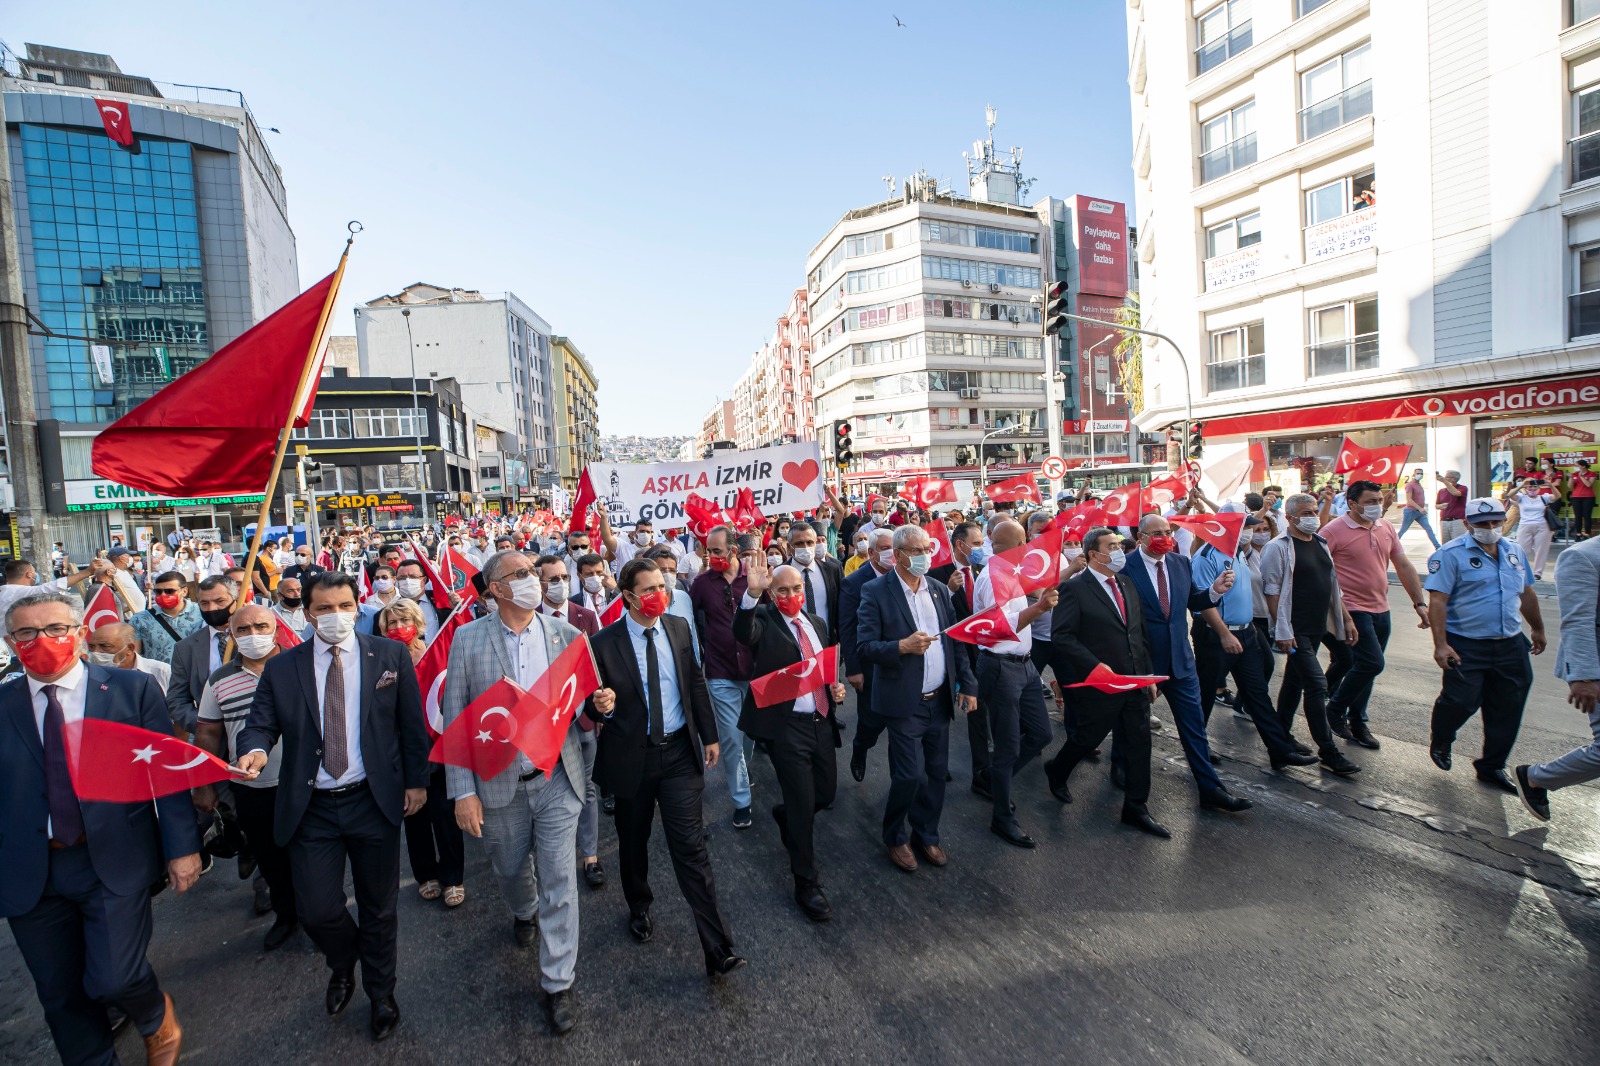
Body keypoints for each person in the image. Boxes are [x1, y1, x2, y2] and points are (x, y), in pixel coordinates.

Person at [1, 589, 200, 1066]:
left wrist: (182, 848)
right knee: (60, 994)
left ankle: (154, 1015)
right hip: (31, 870)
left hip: (113, 857)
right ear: (10, 641)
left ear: (79, 633)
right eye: (27, 632)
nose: (41, 640)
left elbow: (167, 773)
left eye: (54, 629)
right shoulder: (4, 702)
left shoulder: (130, 690)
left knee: (115, 978)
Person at [235, 572, 431, 1042]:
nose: (335, 616)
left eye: (344, 605)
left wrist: (417, 783)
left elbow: (410, 726)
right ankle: (344, 961)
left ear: (356, 605)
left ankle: (382, 993)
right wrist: (255, 749)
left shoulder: (388, 655)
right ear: (308, 614)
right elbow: (258, 723)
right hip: (312, 806)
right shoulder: (284, 668)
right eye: (323, 608)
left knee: (378, 906)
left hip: (373, 798)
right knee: (318, 910)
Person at [442, 551, 589, 1035]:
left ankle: (557, 982)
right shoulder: (468, 639)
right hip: (498, 786)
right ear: (497, 589)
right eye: (522, 575)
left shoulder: (566, 635)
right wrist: (463, 791)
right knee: (509, 868)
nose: (535, 581)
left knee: (559, 879)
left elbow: (582, 705)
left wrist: (600, 703)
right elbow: (456, 716)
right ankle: (522, 910)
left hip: (556, 781)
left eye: (535, 573)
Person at [584, 557, 745, 979]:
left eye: (664, 586)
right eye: (651, 589)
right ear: (629, 597)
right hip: (631, 760)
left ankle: (717, 947)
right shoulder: (602, 644)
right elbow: (590, 702)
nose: (662, 594)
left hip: (678, 757)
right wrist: (599, 707)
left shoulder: (677, 627)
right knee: (633, 844)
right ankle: (639, 905)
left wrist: (708, 735)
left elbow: (693, 681)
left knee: (691, 849)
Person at [856, 525, 979, 872]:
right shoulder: (875, 592)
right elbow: (865, 647)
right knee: (910, 775)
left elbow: (955, 642)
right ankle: (895, 836)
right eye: (916, 550)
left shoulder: (939, 590)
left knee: (937, 773)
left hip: (938, 700)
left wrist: (967, 685)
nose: (925, 555)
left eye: (927, 547)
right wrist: (901, 647)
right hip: (903, 702)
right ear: (896, 556)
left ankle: (926, 834)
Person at [735, 560, 846, 921]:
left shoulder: (816, 623)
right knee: (802, 806)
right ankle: (806, 883)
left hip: (821, 721)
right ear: (771, 592)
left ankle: (785, 816)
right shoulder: (764, 619)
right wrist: (752, 595)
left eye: (796, 589)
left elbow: (824, 668)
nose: (791, 596)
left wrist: (835, 687)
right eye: (781, 590)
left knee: (824, 794)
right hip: (787, 728)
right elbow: (742, 632)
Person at [1120, 514, 1255, 811]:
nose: (1164, 537)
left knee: (1194, 728)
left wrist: (1214, 590)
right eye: (1156, 533)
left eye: (1167, 531)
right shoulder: (1124, 568)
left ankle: (1210, 789)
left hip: (1180, 660)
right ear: (1140, 536)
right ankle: (1118, 767)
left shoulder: (1180, 562)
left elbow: (1193, 600)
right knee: (1133, 725)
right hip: (1143, 662)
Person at [1045, 527, 1171, 836]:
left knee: (1140, 743)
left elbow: (1138, 634)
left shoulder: (1126, 584)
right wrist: (1094, 665)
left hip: (1133, 681)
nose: (1118, 551)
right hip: (1100, 684)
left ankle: (1136, 808)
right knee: (1088, 738)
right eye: (1111, 546)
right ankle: (1058, 769)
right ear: (1093, 554)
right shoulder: (1075, 589)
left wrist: (1147, 676)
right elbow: (1061, 636)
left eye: (1118, 544)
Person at [192, 605, 299, 950]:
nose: (253, 634)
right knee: (269, 857)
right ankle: (287, 916)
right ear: (233, 636)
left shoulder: (301, 664)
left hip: (304, 783)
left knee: (312, 853)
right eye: (244, 629)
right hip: (251, 786)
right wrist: (204, 785)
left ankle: (322, 913)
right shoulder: (219, 680)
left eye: (261, 626)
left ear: (276, 628)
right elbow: (207, 734)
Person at [1424, 498, 1546, 792]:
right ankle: (1442, 736)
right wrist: (1441, 645)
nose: (1490, 528)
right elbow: (1438, 601)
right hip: (1466, 644)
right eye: (1481, 524)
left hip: (1510, 644)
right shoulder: (1450, 555)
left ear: (1503, 521)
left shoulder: (1515, 552)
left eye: (1495, 522)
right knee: (1461, 701)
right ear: (1467, 524)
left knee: (1508, 707)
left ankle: (1491, 766)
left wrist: (1538, 628)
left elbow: (1526, 593)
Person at [1320, 480, 1432, 749]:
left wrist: (1419, 603)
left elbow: (1402, 564)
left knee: (1368, 669)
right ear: (1352, 504)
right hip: (1352, 609)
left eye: (1379, 501)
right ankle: (1335, 709)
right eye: (1370, 502)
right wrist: (1340, 611)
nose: (1376, 506)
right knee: (1372, 663)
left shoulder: (1386, 527)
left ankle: (1358, 722)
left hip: (1382, 607)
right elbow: (1320, 571)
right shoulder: (1333, 530)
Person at [967, 519, 1057, 848]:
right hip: (1001, 666)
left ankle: (991, 780)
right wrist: (1039, 607)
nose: (1028, 548)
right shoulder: (993, 576)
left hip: (1025, 665)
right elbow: (1003, 627)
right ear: (1007, 546)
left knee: (1041, 734)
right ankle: (1002, 818)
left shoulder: (1011, 571)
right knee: (1008, 748)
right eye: (1023, 542)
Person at [1260, 494, 1364, 777]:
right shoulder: (1277, 547)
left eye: (1315, 511)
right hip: (1295, 630)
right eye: (1306, 512)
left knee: (1294, 682)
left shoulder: (1319, 543)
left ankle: (1280, 740)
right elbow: (1271, 591)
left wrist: (1346, 617)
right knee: (1316, 685)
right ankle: (1328, 751)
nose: (1313, 517)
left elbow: (1333, 585)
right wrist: (1282, 630)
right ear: (1291, 518)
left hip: (1318, 626)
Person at [380, 598, 466, 910]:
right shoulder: (381, 661)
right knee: (413, 815)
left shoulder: (437, 655)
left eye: (404, 621)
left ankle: (453, 876)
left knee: (446, 815)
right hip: (403, 753)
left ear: (419, 624)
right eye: (391, 623)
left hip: (440, 750)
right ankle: (425, 874)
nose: (398, 628)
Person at [1517, 532, 1600, 818]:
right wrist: (1585, 677)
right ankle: (1536, 778)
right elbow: (1577, 620)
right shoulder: (1583, 556)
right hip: (1595, 667)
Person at [534, 554, 605, 889]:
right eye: (553, 579)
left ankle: (590, 855)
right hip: (545, 725)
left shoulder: (585, 617)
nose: (559, 584)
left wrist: (600, 712)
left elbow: (597, 667)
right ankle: (547, 858)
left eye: (564, 577)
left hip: (583, 720)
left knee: (587, 789)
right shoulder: (529, 619)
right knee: (545, 791)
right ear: (539, 583)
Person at [686, 525, 756, 830]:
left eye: (716, 551)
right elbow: (687, 620)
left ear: (734, 551)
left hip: (755, 672)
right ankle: (742, 801)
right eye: (708, 550)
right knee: (730, 737)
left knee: (750, 734)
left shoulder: (754, 579)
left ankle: (743, 769)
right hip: (719, 672)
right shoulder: (701, 584)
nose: (711, 556)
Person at [929, 521, 993, 798]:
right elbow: (930, 615)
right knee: (940, 712)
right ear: (959, 545)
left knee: (979, 711)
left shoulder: (984, 569)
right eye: (976, 544)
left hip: (982, 650)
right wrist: (949, 590)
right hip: (951, 652)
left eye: (982, 543)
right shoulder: (937, 572)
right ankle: (935, 764)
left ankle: (982, 772)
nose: (981, 549)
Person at [840, 525, 899, 782]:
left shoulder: (904, 574)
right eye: (886, 550)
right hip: (870, 665)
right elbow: (847, 628)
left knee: (902, 723)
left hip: (900, 660)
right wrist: (853, 669)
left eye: (894, 549)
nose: (892, 555)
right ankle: (861, 747)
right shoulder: (854, 583)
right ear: (873, 553)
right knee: (872, 722)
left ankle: (905, 773)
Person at [167, 575, 241, 735]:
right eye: (205, 603)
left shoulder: (255, 637)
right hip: (211, 741)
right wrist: (204, 725)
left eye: (220, 601)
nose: (212, 608)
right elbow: (177, 700)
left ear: (235, 600)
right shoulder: (185, 648)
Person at [129, 568, 206, 667]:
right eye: (158, 591)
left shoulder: (202, 614)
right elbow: (135, 657)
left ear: (184, 591)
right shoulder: (140, 619)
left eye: (169, 591)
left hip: (193, 677)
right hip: (156, 679)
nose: (163, 595)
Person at [786, 522, 842, 642]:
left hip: (827, 642)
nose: (805, 547)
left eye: (810, 542)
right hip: (795, 645)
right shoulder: (779, 573)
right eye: (799, 543)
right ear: (789, 547)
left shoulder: (832, 570)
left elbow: (840, 608)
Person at [0, 554, 105, 618]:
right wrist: (87, 572)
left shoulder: (5, 592)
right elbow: (54, 586)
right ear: (29, 574)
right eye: (34, 572)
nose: (36, 575)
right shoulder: (20, 592)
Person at [86, 620, 172, 692]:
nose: (96, 652)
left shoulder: (161, 672)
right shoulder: (87, 673)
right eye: (92, 647)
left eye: (105, 646)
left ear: (130, 649)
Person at [1503, 475, 1557, 580]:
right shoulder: (1521, 498)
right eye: (1530, 487)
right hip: (1525, 525)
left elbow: (1557, 496)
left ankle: (1537, 572)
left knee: (1541, 549)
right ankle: (1519, 569)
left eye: (1535, 487)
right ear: (1526, 489)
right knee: (1522, 549)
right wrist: (1522, 485)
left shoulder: (1543, 497)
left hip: (1542, 526)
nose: (1532, 489)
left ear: (1539, 488)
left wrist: (1550, 485)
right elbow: (1510, 494)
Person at [1397, 469, 1441, 549]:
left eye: (1421, 473)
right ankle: (1391, 545)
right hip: (1411, 511)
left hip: (1419, 512)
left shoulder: (1419, 484)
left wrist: (1420, 509)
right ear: (1413, 474)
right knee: (1403, 530)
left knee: (1429, 529)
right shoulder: (1410, 485)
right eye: (1418, 473)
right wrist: (1420, 508)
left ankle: (1438, 547)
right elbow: (1409, 499)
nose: (1419, 475)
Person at [1437, 470, 1469, 543]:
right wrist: (1441, 506)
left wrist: (1445, 482)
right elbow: (1436, 505)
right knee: (1446, 545)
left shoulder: (1462, 488)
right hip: (1444, 521)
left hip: (1457, 521)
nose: (1445, 479)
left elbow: (1456, 493)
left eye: (1447, 477)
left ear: (1454, 479)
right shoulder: (1442, 491)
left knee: (1458, 543)